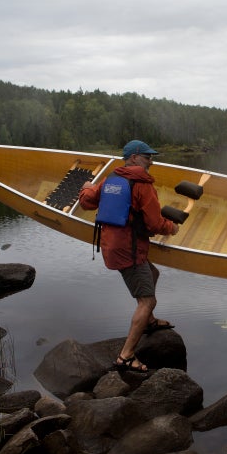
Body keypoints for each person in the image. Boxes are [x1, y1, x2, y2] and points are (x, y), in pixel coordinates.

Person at [79, 140, 179, 372]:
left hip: (113, 245)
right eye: (147, 157)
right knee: (147, 300)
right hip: (129, 250)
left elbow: (85, 202)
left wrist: (85, 186)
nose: (151, 161)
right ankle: (125, 356)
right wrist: (171, 228)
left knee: (153, 272)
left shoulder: (111, 179)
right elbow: (154, 223)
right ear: (133, 158)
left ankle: (149, 321)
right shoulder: (143, 185)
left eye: (151, 157)